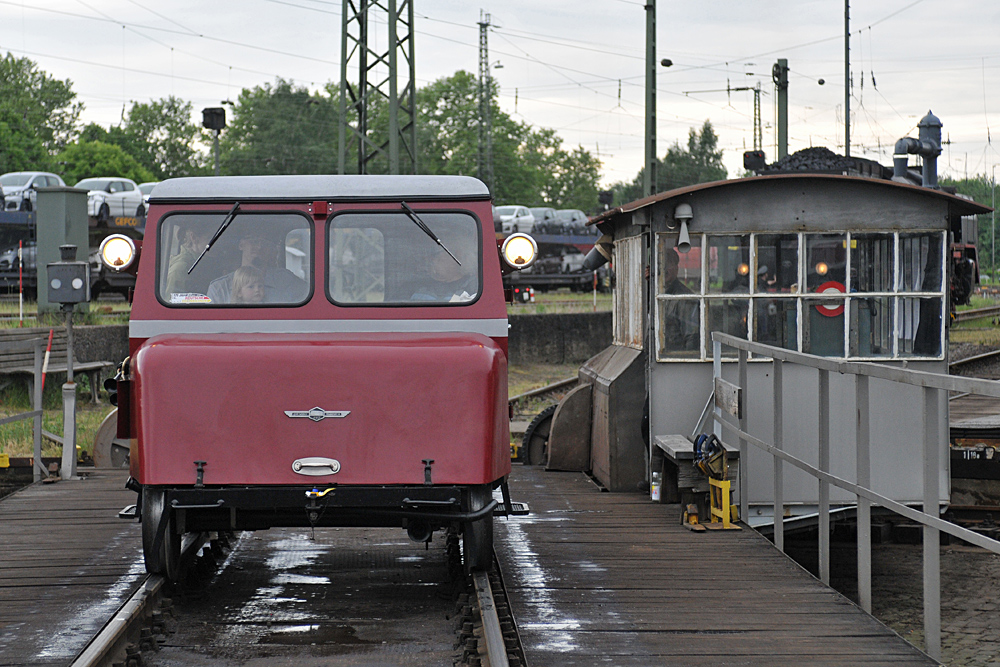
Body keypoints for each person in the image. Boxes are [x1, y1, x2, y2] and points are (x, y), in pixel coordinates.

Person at [206, 230, 307, 304]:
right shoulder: (219, 289)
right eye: (254, 241)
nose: (259, 247)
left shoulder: (286, 280)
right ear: (241, 245)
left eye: (265, 243)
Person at [660, 247, 699, 352]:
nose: (665, 269)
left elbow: (692, 338)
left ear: (676, 269)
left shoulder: (685, 298)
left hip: (674, 356)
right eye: (662, 264)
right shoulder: (655, 292)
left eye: (669, 264)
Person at [410, 247, 478, 302]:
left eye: (440, 260)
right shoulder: (421, 285)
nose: (433, 263)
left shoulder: (472, 286)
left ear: (455, 264)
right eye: (434, 260)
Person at [164, 224, 212, 297]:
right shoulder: (181, 269)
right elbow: (171, 303)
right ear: (194, 237)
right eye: (210, 238)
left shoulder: (207, 262)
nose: (218, 243)